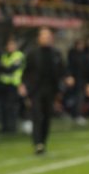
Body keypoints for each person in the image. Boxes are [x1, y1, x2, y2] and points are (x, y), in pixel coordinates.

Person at [23, 27, 67, 155]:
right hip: (36, 90)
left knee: (47, 117)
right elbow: (26, 72)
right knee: (37, 117)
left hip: (51, 90)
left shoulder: (56, 54)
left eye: (48, 36)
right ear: (39, 38)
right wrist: (25, 86)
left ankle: (43, 141)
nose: (46, 38)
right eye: (43, 36)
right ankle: (38, 144)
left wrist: (66, 79)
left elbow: (62, 70)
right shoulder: (32, 54)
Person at [0, 37, 25, 134]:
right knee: (3, 106)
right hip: (3, 84)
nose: (10, 47)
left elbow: (11, 69)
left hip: (14, 84)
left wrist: (3, 67)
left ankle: (12, 126)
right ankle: (5, 127)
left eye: (12, 45)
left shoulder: (19, 55)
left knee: (11, 106)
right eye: (9, 45)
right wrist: (3, 68)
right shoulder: (3, 55)